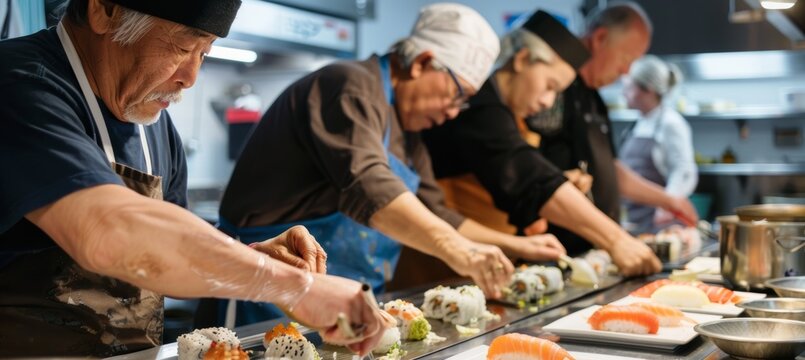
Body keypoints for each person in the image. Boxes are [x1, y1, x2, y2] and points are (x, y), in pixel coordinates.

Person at [0, 0, 389, 356]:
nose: (191, 77)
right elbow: (109, 230)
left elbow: (160, 267)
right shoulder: (19, 83)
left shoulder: (152, 123)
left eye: (205, 54)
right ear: (105, 10)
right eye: (184, 48)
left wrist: (255, 256)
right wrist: (289, 286)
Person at [219, 2, 566, 326]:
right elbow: (372, 188)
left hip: (345, 301)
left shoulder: (409, 135)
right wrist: (461, 253)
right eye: (457, 95)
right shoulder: (349, 87)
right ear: (422, 63)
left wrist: (515, 245)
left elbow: (439, 214)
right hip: (267, 294)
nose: (451, 112)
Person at [419, 10, 660, 282]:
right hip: (440, 272)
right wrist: (616, 240)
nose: (548, 101)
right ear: (522, 60)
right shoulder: (480, 108)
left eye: (556, 92)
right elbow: (528, 176)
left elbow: (506, 183)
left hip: (485, 267)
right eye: (549, 86)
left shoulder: (514, 114)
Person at [530, 2, 698, 256]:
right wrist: (617, 240)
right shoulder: (553, 93)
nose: (626, 71)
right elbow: (533, 174)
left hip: (595, 249)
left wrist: (669, 200)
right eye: (626, 58)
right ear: (599, 39)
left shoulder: (595, 98)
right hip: (555, 249)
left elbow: (609, 168)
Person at [621, 55, 698, 234]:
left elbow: (684, 171)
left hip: (662, 223)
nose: (623, 93)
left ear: (649, 90)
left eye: (629, 87)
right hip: (635, 219)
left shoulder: (671, 123)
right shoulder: (637, 124)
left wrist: (667, 205)